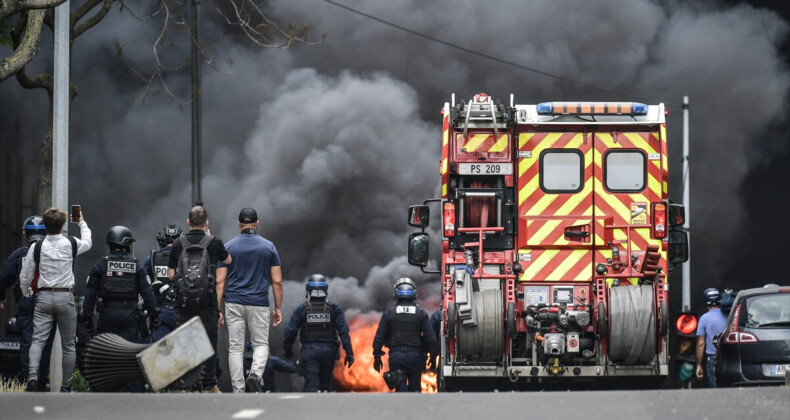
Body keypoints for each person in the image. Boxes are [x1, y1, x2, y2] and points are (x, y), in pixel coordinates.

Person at [19, 207, 92, 392]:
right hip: (65, 297)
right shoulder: (71, 243)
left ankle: (33, 374)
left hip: (43, 297)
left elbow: (25, 274)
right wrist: (81, 222)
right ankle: (66, 386)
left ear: (45, 226)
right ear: (63, 225)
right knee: (68, 346)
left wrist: (26, 290)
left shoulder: (37, 247)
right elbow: (88, 242)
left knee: (37, 340)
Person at [216, 208, 283, 393]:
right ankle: (255, 374)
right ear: (257, 222)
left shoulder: (228, 247)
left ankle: (239, 390)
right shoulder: (268, 247)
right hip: (259, 303)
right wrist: (278, 308)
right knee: (261, 344)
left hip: (233, 302)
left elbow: (220, 281)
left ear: (239, 224)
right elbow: (277, 281)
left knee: (235, 349)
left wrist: (217, 308)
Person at [167, 205, 231, 393]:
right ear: (206, 223)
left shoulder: (178, 243)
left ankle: (183, 385)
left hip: (183, 301)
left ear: (188, 222)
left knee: (183, 341)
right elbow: (229, 261)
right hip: (208, 301)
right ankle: (209, 385)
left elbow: (171, 275)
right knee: (210, 341)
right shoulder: (214, 242)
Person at [0, 216, 56, 388]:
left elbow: (3, 278)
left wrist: (1, 296)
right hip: (49, 304)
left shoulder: (20, 254)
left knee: (28, 343)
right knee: (46, 344)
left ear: (26, 233)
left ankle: (30, 379)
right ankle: (43, 380)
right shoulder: (54, 253)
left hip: (27, 306)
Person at [82, 226, 160, 343]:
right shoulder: (136, 266)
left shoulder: (101, 265)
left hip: (106, 314)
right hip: (129, 315)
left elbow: (90, 294)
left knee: (106, 351)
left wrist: (87, 318)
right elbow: (148, 293)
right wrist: (154, 316)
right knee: (126, 352)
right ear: (127, 244)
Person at [283, 274, 354, 392]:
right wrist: (349, 352)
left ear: (308, 289)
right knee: (325, 387)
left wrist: (288, 350)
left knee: (312, 388)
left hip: (309, 352)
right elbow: (343, 331)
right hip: (329, 353)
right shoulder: (334, 308)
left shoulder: (302, 309)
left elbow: (290, 331)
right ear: (325, 289)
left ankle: (313, 408)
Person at [372, 277, 438, 392]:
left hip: (396, 357)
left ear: (396, 294)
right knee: (415, 389)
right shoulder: (421, 313)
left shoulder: (389, 313)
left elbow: (379, 338)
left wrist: (377, 357)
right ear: (414, 294)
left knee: (400, 387)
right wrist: (432, 357)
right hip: (415, 357)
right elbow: (431, 339)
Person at [142, 224, 183, 342]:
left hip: (160, 312)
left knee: (160, 351)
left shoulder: (151, 259)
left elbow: (144, 287)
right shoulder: (185, 260)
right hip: (181, 313)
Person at [696, 287, 728, 387]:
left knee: (715, 388)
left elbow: (701, 344)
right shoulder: (729, 315)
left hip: (713, 359)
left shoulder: (704, 319)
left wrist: (698, 364)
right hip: (729, 357)